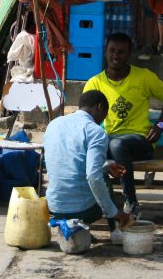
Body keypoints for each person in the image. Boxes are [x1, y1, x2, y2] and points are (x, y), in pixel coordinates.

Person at [83, 32, 163, 218]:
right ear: (105, 52)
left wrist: (159, 124)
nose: (115, 56)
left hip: (139, 142)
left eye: (121, 52)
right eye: (112, 51)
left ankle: (131, 202)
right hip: (109, 141)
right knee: (99, 148)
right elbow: (84, 118)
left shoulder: (144, 76)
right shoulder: (95, 83)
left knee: (117, 144)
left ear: (129, 54)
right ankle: (101, 203)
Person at [44, 90, 131, 233]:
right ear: (100, 107)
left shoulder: (53, 124)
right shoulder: (95, 131)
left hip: (54, 208)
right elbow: (93, 176)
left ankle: (79, 230)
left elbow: (69, 165)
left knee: (99, 173)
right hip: (83, 211)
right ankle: (116, 230)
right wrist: (113, 212)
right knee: (101, 178)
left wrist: (107, 165)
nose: (103, 119)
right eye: (105, 113)